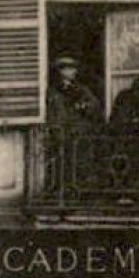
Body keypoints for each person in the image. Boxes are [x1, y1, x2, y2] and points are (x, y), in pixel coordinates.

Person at [45, 56, 103, 199]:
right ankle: (59, 192)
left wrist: (83, 106)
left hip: (77, 132)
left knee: (79, 163)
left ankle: (78, 192)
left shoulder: (82, 90)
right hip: (59, 132)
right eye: (68, 69)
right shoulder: (52, 90)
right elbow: (50, 110)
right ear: (60, 71)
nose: (72, 72)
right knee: (60, 163)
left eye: (73, 69)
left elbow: (95, 106)